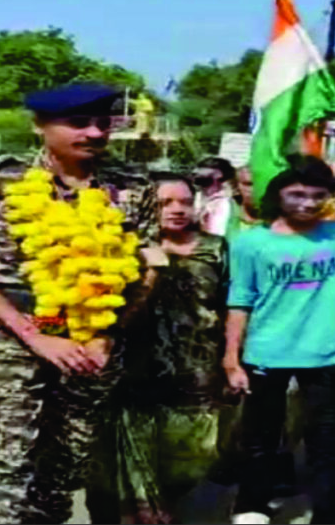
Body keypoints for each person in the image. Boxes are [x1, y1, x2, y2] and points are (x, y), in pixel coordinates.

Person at [0, 82, 157, 524]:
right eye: (78, 123)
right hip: (15, 328)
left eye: (103, 123)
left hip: (94, 335)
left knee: (66, 463)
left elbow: (149, 268)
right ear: (41, 126)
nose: (94, 133)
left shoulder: (132, 185)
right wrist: (37, 336)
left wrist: (108, 335)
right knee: (8, 460)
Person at [223, 154, 335, 525]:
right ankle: (252, 505)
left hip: (328, 358)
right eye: (297, 194)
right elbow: (240, 300)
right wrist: (231, 358)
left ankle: (330, 515)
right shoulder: (252, 243)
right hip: (264, 354)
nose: (308, 203)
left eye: (318, 195)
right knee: (259, 441)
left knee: (327, 446)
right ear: (278, 195)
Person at [87, 174, 229, 523]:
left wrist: (232, 358)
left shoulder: (217, 248)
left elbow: (231, 306)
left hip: (196, 369)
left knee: (195, 455)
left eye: (184, 201)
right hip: (133, 370)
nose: (178, 210)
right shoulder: (122, 249)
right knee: (128, 457)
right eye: (166, 203)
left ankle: (163, 505)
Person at [193, 157, 238, 236]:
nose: (196, 172)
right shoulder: (195, 197)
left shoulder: (223, 203)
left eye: (203, 169)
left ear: (219, 174)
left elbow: (216, 232)